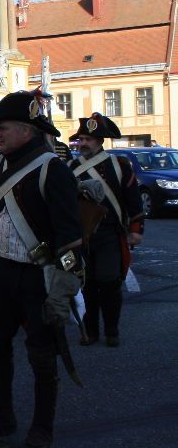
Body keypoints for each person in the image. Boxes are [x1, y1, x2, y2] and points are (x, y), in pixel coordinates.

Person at [0, 90, 83, 448]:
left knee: (42, 356)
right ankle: (2, 417)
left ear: (26, 130)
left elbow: (70, 238)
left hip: (39, 277)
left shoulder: (51, 170)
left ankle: (42, 428)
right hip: (4, 272)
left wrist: (64, 286)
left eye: (3, 128)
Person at [69, 113, 144, 347]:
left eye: (88, 140)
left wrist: (136, 229)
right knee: (87, 284)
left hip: (110, 233)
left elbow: (134, 200)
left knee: (110, 282)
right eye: (81, 139)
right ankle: (91, 332)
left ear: (100, 141)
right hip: (82, 236)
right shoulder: (71, 167)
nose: (83, 144)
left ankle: (112, 330)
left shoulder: (119, 166)